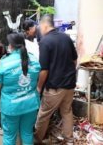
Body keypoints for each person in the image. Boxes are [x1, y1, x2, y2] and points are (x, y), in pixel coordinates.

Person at [35, 14, 78, 144]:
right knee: (66, 111)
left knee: (43, 114)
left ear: (44, 25)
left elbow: (44, 70)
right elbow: (75, 60)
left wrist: (38, 87)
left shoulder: (45, 41)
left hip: (55, 87)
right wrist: (68, 73)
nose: (39, 30)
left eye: (40, 27)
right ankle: (69, 140)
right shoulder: (66, 38)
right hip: (70, 85)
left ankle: (37, 139)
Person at [0, 32, 40, 145]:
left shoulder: (4, 63)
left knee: (9, 136)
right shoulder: (34, 60)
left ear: (11, 46)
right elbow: (37, 79)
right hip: (31, 104)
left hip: (11, 107)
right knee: (27, 133)